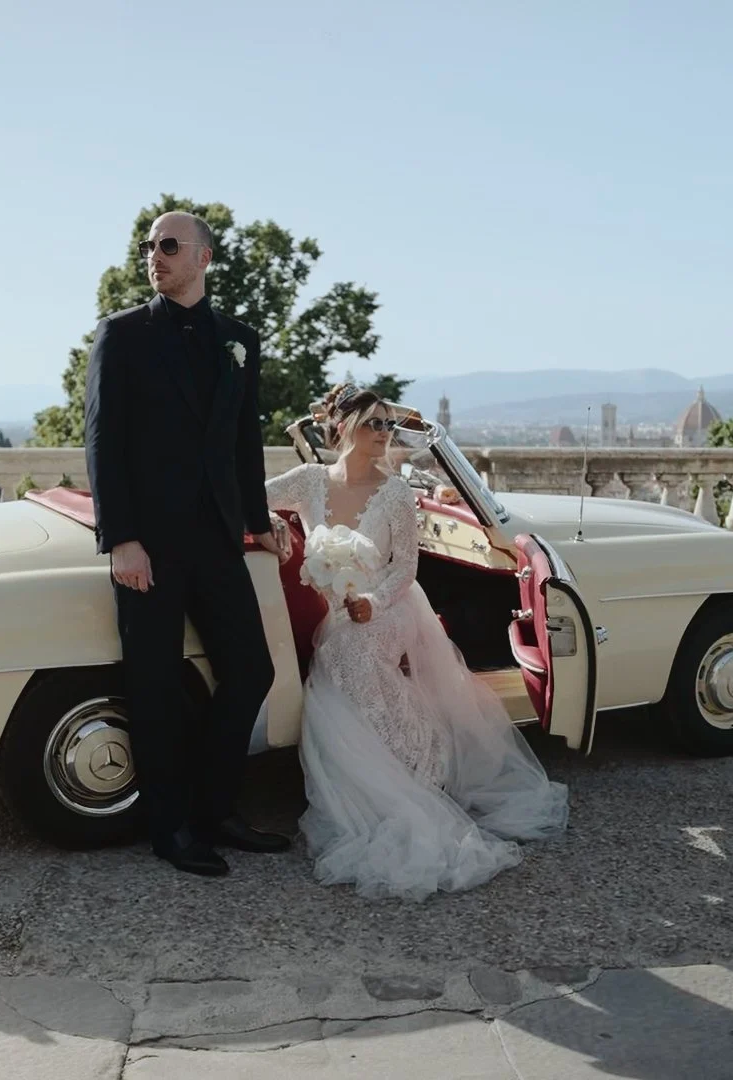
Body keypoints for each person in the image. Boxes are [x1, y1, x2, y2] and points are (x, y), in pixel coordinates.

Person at [264, 385, 568, 900]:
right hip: (338, 614)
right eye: (373, 424)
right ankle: (391, 772)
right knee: (342, 650)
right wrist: (269, 519)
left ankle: (417, 764)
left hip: (391, 607)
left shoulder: (397, 493)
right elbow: (244, 491)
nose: (384, 434)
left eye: (389, 425)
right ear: (342, 428)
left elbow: (406, 569)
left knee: (351, 652)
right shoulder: (310, 480)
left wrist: (373, 605)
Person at [83, 211, 291, 877]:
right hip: (149, 544)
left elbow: (241, 446)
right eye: (149, 246)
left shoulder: (238, 340)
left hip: (216, 539)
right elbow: (101, 442)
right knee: (153, 685)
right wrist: (121, 540)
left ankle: (215, 809)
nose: (155, 255)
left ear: (203, 257)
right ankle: (171, 829)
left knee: (252, 670)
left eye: (169, 245)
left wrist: (258, 519)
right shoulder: (122, 336)